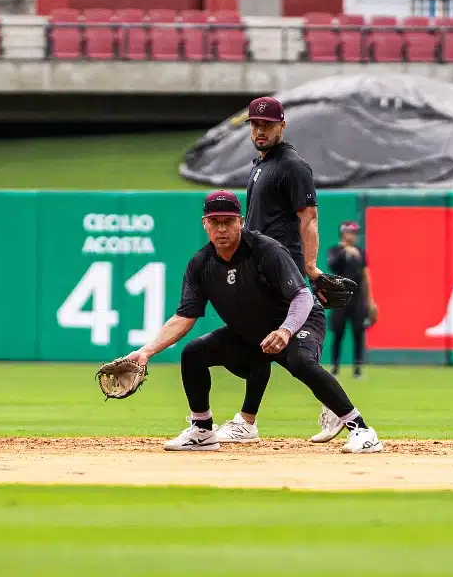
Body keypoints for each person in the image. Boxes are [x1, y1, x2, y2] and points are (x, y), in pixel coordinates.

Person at [120, 190, 383, 454]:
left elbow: (302, 296)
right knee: (193, 353)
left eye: (228, 221)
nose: (221, 228)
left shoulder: (266, 250)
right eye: (215, 222)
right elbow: (184, 317)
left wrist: (286, 330)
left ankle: (361, 429)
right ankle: (202, 431)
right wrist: (146, 351)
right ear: (204, 224)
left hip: (299, 321)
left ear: (241, 221)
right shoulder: (200, 264)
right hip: (253, 331)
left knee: (300, 361)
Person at [208, 96, 345, 446]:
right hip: (260, 269)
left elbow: (308, 218)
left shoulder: (292, 166)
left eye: (267, 125)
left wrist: (310, 268)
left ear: (282, 126)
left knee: (271, 343)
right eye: (255, 124)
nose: (260, 130)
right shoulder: (261, 165)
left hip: (282, 268)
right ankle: (259, 418)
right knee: (264, 343)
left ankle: (250, 421)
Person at [326, 220, 377, 378]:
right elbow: (332, 265)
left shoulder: (360, 252)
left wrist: (370, 301)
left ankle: (357, 369)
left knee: (358, 332)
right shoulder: (335, 250)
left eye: (355, 233)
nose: (353, 236)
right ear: (343, 233)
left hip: (357, 299)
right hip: (340, 297)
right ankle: (335, 367)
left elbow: (366, 275)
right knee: (338, 332)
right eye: (350, 232)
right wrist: (345, 252)